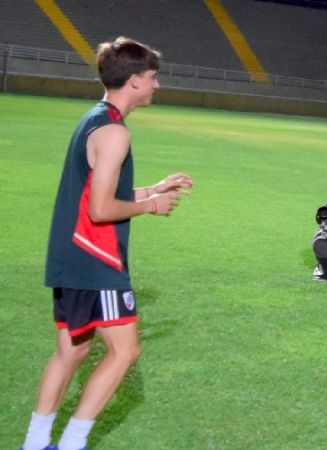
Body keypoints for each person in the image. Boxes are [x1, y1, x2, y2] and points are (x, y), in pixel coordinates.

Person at [20, 37, 193, 450]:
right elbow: (99, 210)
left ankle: (35, 443)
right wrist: (151, 205)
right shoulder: (115, 132)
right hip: (96, 259)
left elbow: (94, 194)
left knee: (73, 352)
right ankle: (71, 444)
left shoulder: (94, 119)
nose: (157, 85)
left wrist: (150, 188)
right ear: (133, 81)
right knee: (123, 352)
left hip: (71, 255)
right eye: (152, 78)